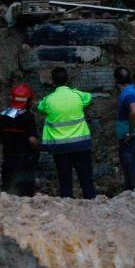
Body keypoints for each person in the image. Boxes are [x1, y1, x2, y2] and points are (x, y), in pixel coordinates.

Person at [37, 67, 96, 199]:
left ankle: (67, 204)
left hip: (60, 147)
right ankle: (91, 201)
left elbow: (40, 107)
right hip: (81, 144)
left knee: (64, 180)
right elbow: (89, 98)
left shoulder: (48, 100)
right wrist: (74, 91)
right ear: (67, 79)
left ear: (53, 81)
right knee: (86, 177)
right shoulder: (78, 95)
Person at [0, 83, 39, 197]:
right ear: (28, 100)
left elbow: (0, 136)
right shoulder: (27, 116)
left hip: (8, 156)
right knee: (25, 192)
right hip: (24, 157)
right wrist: (36, 150)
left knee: (8, 190)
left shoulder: (3, 115)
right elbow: (32, 139)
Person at [114, 67, 135, 190]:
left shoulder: (128, 94)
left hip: (132, 140)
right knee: (132, 172)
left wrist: (130, 133)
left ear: (116, 81)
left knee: (134, 175)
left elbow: (134, 111)